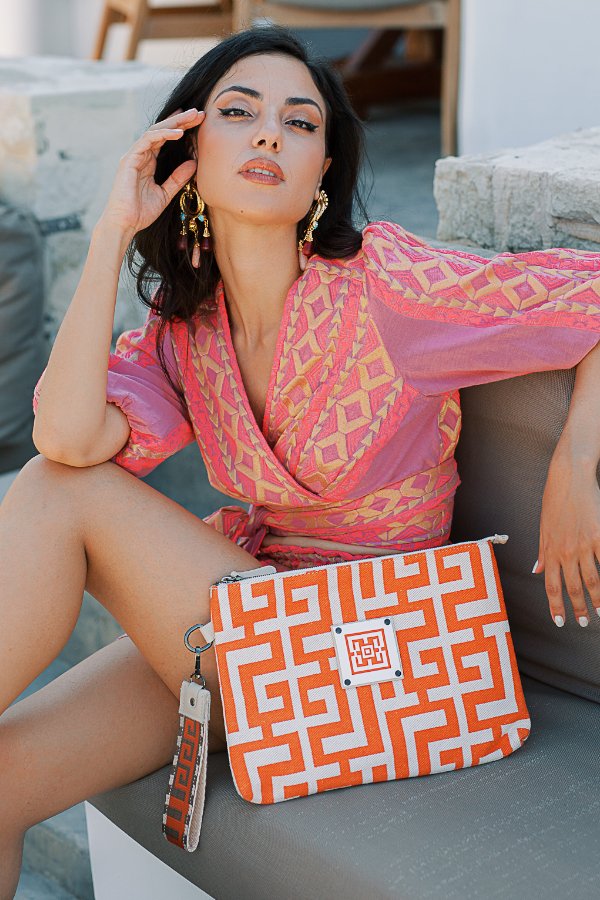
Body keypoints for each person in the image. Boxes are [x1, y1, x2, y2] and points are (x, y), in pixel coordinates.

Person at [1, 23, 600, 894]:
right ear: (186, 151)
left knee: (59, 495)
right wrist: (112, 229)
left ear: (324, 168)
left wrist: (576, 464)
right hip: (252, 637)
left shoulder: (389, 283)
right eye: (238, 112)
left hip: (371, 654)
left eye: (300, 122)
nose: (270, 135)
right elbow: (66, 436)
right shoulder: (185, 328)